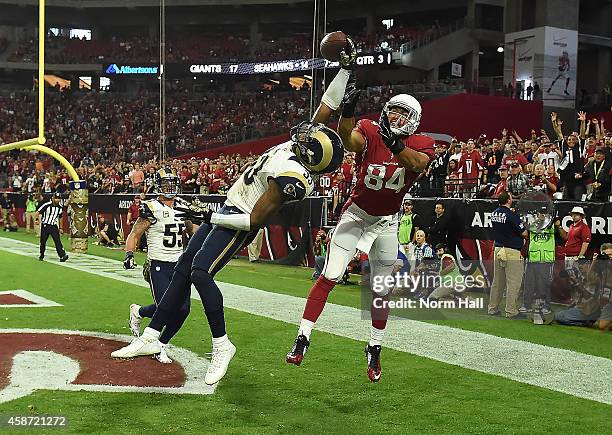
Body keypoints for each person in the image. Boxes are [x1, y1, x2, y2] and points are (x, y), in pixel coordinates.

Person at [111, 46, 353, 385]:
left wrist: (208, 216)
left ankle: (221, 345)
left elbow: (253, 222)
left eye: (309, 137)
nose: (305, 131)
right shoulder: (299, 150)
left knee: (199, 272)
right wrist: (345, 69)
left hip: (237, 220)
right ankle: (151, 335)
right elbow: (326, 107)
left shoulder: (294, 178)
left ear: (311, 154)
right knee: (183, 267)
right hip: (228, 207)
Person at [287, 74, 435, 382]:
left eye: (401, 113)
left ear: (414, 121)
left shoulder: (423, 144)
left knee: (380, 291)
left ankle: (375, 347)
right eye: (392, 110)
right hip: (356, 214)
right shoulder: (370, 129)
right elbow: (348, 137)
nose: (394, 116)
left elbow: (417, 164)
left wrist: (395, 145)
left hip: (386, 223)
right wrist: (348, 111)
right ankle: (302, 336)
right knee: (330, 275)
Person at [122, 167, 191, 364]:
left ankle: (158, 339)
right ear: (158, 185)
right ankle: (156, 342)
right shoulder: (150, 208)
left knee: (184, 310)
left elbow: (194, 230)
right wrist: (129, 254)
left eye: (172, 182)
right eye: (165, 183)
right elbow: (134, 234)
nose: (169, 187)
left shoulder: (183, 207)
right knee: (166, 308)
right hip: (158, 264)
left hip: (180, 264)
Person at [487, 192, 527, 318]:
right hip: (511, 251)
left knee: (497, 282)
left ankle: (492, 308)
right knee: (513, 282)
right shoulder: (511, 215)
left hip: (498, 249)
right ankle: (511, 311)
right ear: (509, 200)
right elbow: (524, 233)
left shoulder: (494, 213)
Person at [554, 243, 612, 330]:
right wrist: (594, 262)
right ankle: (585, 321)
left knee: (602, 326)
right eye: (605, 255)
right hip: (597, 307)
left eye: (610, 255)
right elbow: (590, 279)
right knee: (559, 316)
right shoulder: (601, 269)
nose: (608, 257)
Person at [520, 208, 555, 315]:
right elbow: (525, 233)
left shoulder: (552, 226)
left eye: (545, 213)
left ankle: (546, 305)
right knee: (529, 283)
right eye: (541, 213)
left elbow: (563, 235)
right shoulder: (533, 225)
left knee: (544, 284)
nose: (542, 215)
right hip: (533, 258)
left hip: (546, 259)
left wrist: (557, 224)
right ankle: (527, 305)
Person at [556, 206, 591, 283]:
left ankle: (582, 294)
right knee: (571, 280)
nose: (574, 216)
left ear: (581, 216)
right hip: (568, 256)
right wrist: (559, 226)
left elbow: (586, 242)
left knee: (576, 279)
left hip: (575, 257)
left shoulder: (584, 227)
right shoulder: (572, 226)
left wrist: (580, 257)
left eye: (577, 214)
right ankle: (574, 295)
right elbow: (566, 237)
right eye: (573, 214)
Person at [37, 193, 69, 262]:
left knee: (57, 241)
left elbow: (60, 218)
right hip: (45, 225)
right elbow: (39, 212)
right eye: (56, 198)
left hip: (53, 226)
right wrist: (37, 220)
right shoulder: (47, 205)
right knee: (43, 242)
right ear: (53, 198)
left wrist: (61, 228)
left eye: (58, 198)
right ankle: (41, 254)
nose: (57, 200)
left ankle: (62, 255)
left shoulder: (59, 207)